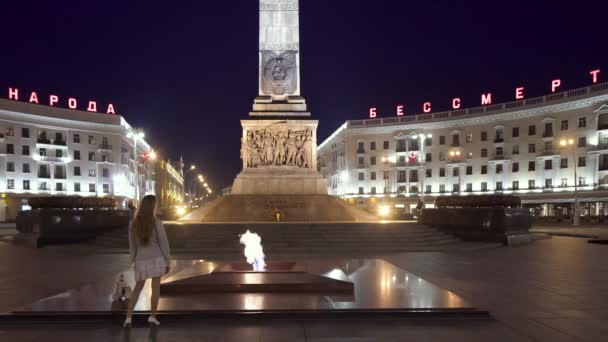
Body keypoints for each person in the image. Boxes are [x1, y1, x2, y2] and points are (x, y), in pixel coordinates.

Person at [124, 195, 171, 328]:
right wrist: (167, 260)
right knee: (155, 289)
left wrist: (133, 260)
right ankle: (152, 316)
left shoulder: (133, 223)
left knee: (137, 289)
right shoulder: (156, 222)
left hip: (141, 260)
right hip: (157, 258)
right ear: (153, 206)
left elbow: (131, 245)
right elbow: (164, 243)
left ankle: (128, 317)